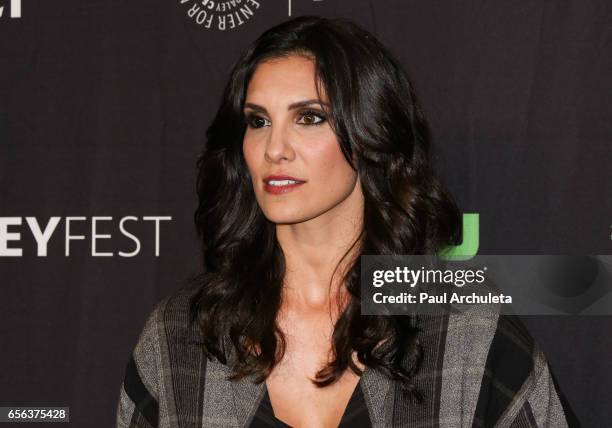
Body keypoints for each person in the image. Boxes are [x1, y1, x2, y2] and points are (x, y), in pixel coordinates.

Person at [116, 16, 579, 428]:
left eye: (310, 117)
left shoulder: (465, 329)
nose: (275, 149)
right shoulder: (181, 335)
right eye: (258, 122)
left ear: (369, 133)